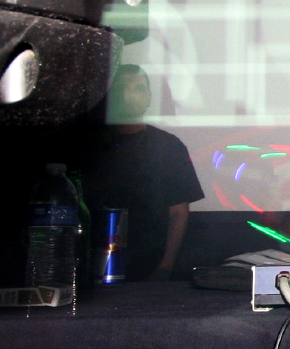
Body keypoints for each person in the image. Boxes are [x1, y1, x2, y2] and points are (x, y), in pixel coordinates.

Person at [73, 65, 203, 281]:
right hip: (89, 266)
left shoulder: (169, 146)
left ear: (149, 97)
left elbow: (178, 212)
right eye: (123, 88)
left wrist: (165, 266)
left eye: (138, 88)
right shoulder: (88, 145)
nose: (130, 95)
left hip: (148, 266)